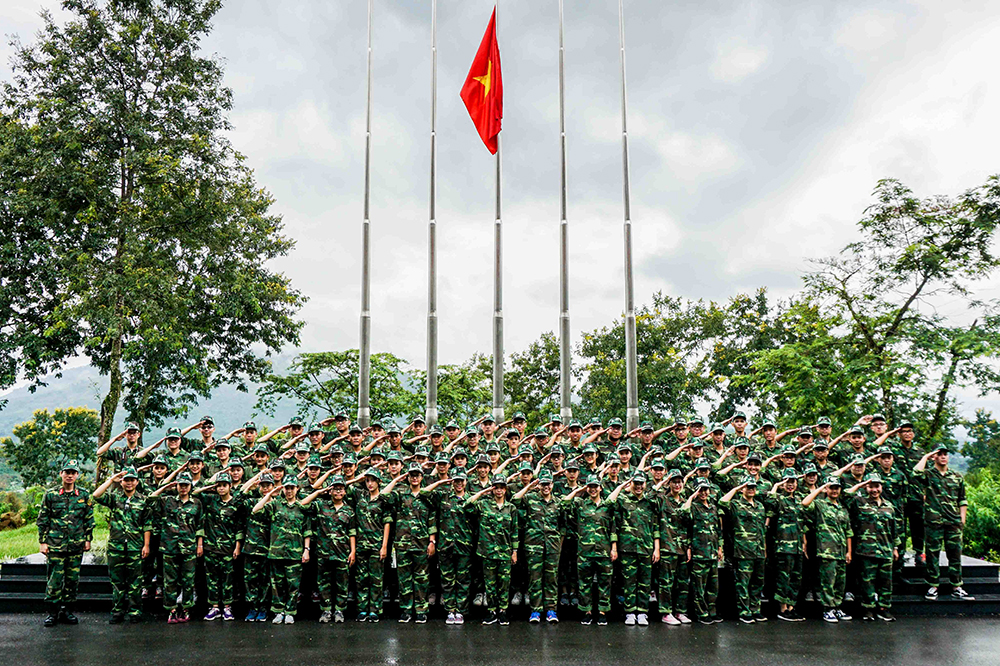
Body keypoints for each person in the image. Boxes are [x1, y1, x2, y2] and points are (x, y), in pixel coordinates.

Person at [37, 460, 95, 627]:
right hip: (56, 545)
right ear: (61, 473)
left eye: (73, 472)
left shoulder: (83, 495)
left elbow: (88, 519)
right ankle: (52, 613)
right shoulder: (51, 495)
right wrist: (43, 542)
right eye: (67, 472)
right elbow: (43, 519)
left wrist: (88, 539)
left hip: (76, 545)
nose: (69, 475)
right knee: (54, 581)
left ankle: (67, 611)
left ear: (77, 475)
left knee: (72, 581)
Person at [92, 467, 152, 624]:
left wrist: (146, 545)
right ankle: (117, 611)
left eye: (132, 480)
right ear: (122, 482)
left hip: (135, 546)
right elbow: (96, 495)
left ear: (137, 482)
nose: (129, 483)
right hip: (116, 546)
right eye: (126, 480)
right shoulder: (114, 498)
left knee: (135, 582)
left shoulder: (143, 500)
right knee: (117, 581)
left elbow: (147, 525)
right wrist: (112, 479)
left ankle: (135, 611)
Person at [915, 444, 973, 600]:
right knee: (932, 554)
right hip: (933, 521)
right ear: (935, 456)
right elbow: (915, 473)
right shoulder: (928, 474)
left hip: (953, 521)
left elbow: (962, 499)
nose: (943, 456)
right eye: (939, 454)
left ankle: (957, 586)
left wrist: (962, 519)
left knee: (955, 554)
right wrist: (927, 456)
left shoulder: (956, 476)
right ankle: (933, 585)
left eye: (945, 454)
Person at [252, 476, 312, 624]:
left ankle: (290, 611)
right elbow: (255, 510)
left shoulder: (302, 507)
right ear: (283, 488)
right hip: (276, 552)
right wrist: (269, 494)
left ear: (297, 488)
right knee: (276, 585)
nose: (289, 490)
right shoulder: (275, 504)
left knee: (293, 585)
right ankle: (278, 611)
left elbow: (307, 531)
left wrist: (306, 550)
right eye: (287, 488)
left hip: (295, 552)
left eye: (292, 488)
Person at [383, 462, 436, 623]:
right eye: (411, 475)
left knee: (421, 579)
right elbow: (384, 495)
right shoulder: (400, 495)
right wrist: (399, 479)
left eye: (417, 475)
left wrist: (432, 541)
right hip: (402, 544)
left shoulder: (426, 497)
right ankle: (406, 609)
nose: (414, 478)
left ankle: (421, 609)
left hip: (421, 543)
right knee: (404, 579)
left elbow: (432, 521)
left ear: (421, 477)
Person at [149, 472, 203, 624]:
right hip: (169, 546)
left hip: (189, 547)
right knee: (170, 580)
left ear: (190, 486)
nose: (183, 488)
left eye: (186, 485)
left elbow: (200, 525)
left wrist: (199, 545)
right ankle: (171, 609)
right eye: (181, 485)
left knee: (188, 580)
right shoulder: (168, 501)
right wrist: (166, 487)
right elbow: (151, 499)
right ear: (177, 486)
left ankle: (186, 608)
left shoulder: (196, 503)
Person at [302, 475, 356, 623]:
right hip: (323, 552)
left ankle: (339, 610)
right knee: (323, 583)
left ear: (345, 492)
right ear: (330, 491)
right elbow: (303, 504)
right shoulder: (321, 505)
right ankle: (325, 610)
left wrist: (353, 551)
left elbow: (352, 532)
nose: (338, 491)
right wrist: (320, 492)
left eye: (341, 489)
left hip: (342, 552)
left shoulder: (349, 510)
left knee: (342, 584)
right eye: (335, 489)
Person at [608, 471, 660, 626]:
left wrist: (656, 548)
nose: (638, 486)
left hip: (646, 547)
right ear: (631, 484)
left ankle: (643, 612)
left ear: (645, 484)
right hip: (627, 548)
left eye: (641, 483)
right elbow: (613, 518)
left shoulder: (649, 502)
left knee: (644, 582)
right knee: (629, 582)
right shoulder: (623, 501)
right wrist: (615, 547)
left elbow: (655, 526)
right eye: (635, 483)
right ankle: (630, 611)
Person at [513, 469, 565, 623]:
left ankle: (551, 610)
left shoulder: (559, 502)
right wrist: (529, 487)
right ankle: (535, 611)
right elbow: (515, 500)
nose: (545, 487)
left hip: (552, 546)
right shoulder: (530, 499)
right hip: (533, 546)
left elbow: (563, 526)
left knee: (551, 579)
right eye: (542, 484)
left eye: (548, 484)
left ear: (552, 484)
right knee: (535, 578)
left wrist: (559, 546)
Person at [424, 469, 475, 624]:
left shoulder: (470, 499)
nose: (459, 484)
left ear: (466, 482)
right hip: (446, 546)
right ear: (452, 481)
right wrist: (440, 482)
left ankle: (460, 610)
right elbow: (423, 493)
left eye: (461, 481)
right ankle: (450, 610)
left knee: (463, 580)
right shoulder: (443, 497)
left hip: (464, 546)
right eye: (456, 480)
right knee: (447, 580)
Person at [846, 472, 899, 621]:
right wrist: (861, 485)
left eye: (877, 486)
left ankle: (884, 608)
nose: (874, 490)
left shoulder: (889, 506)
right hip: (866, 550)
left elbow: (895, 529)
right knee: (867, 582)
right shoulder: (859, 502)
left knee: (886, 582)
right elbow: (845, 495)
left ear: (881, 487)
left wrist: (895, 548)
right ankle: (868, 609)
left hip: (885, 550)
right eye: (871, 487)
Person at [563, 474, 613, 625]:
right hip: (585, 551)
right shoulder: (580, 504)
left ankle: (603, 611)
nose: (592, 489)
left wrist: (614, 548)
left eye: (595, 486)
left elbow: (613, 527)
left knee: (605, 582)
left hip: (604, 550)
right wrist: (580, 489)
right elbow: (564, 503)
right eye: (590, 486)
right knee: (585, 582)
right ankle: (587, 611)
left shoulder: (607, 505)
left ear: (600, 487)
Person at [469, 474, 519, 625]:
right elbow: (467, 504)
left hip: (504, 551)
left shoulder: (511, 508)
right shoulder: (484, 504)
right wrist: (482, 493)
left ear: (505, 489)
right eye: (496, 487)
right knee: (490, 583)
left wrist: (514, 551)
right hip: (487, 551)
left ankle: (503, 611)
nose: (499, 490)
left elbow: (514, 531)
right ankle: (492, 611)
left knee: (504, 583)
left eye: (501, 488)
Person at [802, 479, 853, 623]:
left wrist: (849, 551)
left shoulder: (842, 509)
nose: (834, 491)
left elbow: (848, 531)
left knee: (840, 582)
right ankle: (827, 609)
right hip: (827, 550)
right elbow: (805, 503)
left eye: (837, 488)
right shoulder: (820, 505)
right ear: (826, 489)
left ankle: (837, 607)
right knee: (828, 581)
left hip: (841, 550)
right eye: (831, 488)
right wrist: (821, 489)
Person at [721, 475, 767, 623]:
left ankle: (755, 609)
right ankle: (744, 611)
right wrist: (736, 489)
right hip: (743, 550)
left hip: (759, 549)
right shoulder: (735, 504)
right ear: (742, 489)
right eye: (748, 487)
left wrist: (764, 547)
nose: (751, 489)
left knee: (757, 582)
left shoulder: (760, 506)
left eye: (753, 487)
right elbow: (722, 502)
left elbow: (762, 529)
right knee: (743, 583)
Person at [199, 471, 244, 621]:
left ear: (230, 486)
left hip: (228, 548)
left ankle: (227, 607)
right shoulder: (211, 500)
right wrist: (210, 485)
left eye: (224, 485)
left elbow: (239, 527)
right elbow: (195, 491)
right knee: (212, 579)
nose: (221, 488)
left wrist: (237, 547)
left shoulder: (235, 503)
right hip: (211, 547)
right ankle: (214, 607)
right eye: (219, 486)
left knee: (228, 579)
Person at [352, 468, 393, 622]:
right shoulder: (360, 497)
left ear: (379, 482)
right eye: (367, 480)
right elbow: (347, 485)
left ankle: (375, 609)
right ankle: (362, 609)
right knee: (361, 579)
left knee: (376, 579)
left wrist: (384, 546)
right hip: (361, 544)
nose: (369, 483)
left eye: (373, 480)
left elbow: (387, 524)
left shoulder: (383, 500)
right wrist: (360, 478)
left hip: (376, 544)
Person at [765, 469, 806, 621]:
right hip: (783, 546)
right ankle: (782, 609)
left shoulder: (799, 500)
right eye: (787, 482)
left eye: (793, 482)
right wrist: (776, 486)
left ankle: (791, 607)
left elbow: (803, 522)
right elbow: (769, 502)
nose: (790, 485)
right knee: (783, 578)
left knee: (796, 578)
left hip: (797, 546)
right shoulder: (779, 500)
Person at [654, 469, 691, 625]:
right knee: (666, 582)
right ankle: (666, 612)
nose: (677, 485)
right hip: (668, 547)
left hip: (682, 548)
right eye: (674, 482)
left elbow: (689, 526)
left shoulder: (685, 502)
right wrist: (663, 481)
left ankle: (680, 611)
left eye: (679, 482)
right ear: (669, 483)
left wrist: (688, 547)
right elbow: (651, 494)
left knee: (682, 582)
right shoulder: (663, 500)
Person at [684, 478, 722, 625]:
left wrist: (719, 547)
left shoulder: (713, 507)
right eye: (700, 490)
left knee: (713, 586)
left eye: (706, 489)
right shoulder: (693, 507)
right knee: (699, 586)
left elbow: (718, 529)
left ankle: (712, 611)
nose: (704, 492)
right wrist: (692, 497)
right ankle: (701, 613)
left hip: (712, 552)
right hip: (699, 552)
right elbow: (684, 513)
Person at [240, 472, 275, 621]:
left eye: (268, 486)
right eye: (263, 486)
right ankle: (252, 608)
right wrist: (254, 481)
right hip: (250, 548)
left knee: (265, 582)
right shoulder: (251, 502)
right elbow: (240, 495)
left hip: (267, 548)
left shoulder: (276, 504)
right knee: (250, 580)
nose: (265, 488)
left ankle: (263, 608)